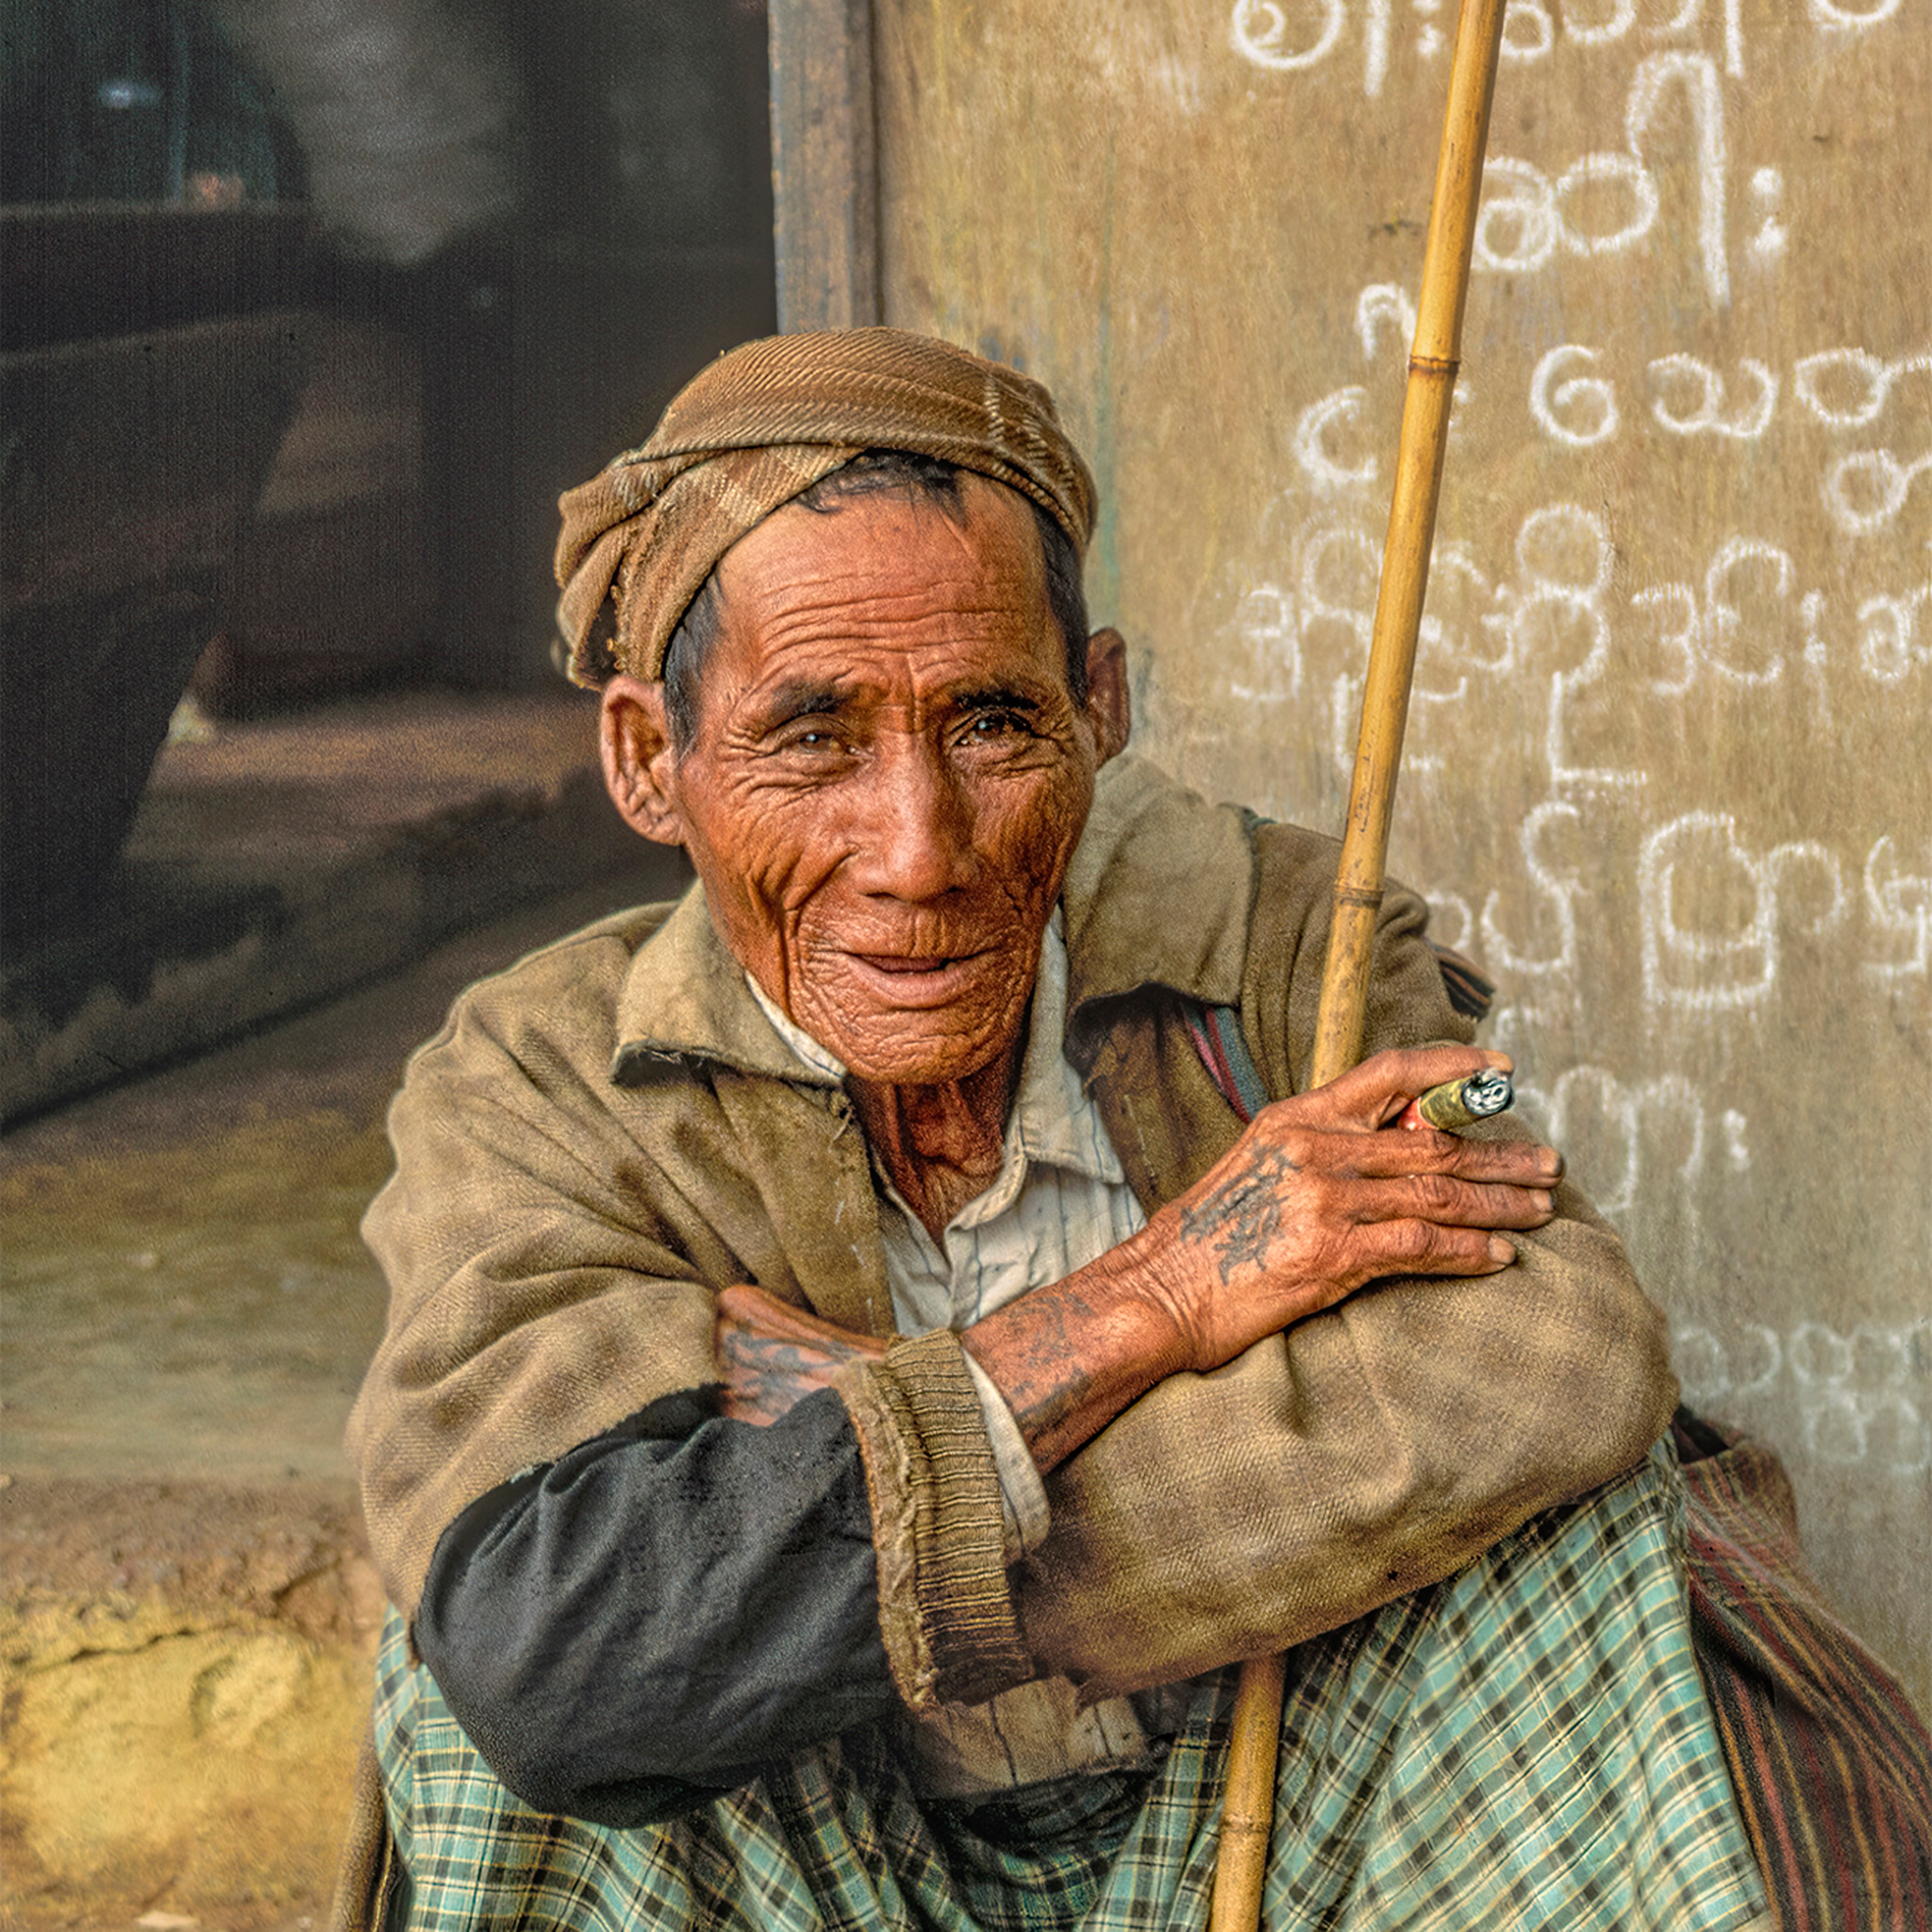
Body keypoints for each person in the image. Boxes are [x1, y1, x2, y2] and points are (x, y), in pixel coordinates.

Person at [336, 328, 1779, 1930]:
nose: (920, 850)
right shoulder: (536, 1081)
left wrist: (860, 1485)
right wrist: (1148, 1306)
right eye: (813, 739)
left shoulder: (1299, 931)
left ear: (1094, 710)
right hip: (826, 1848)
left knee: (1578, 1540)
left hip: (1271, 1798)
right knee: (484, 1697)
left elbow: (1558, 1355)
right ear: (648, 761)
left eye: (990, 725)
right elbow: (560, 1648)